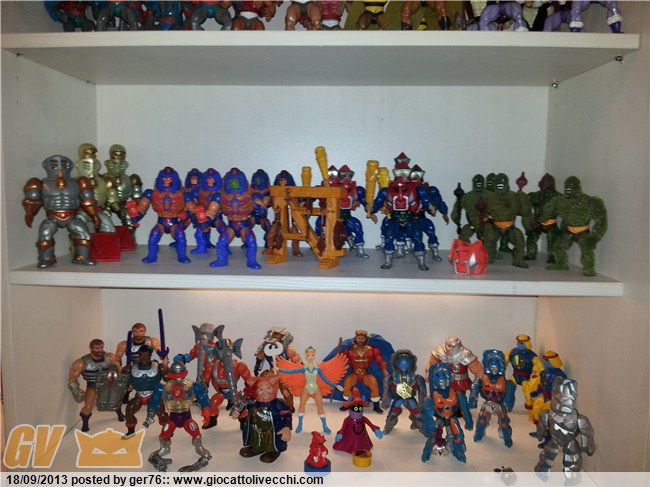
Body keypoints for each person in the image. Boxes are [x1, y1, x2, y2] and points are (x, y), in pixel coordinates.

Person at [68, 339, 121, 432]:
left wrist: (118, 380)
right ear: (91, 348)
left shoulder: (110, 357)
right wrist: (76, 390)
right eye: (97, 348)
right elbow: (72, 378)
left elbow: (118, 368)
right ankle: (85, 423)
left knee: (115, 400)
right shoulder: (81, 363)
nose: (100, 350)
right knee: (88, 407)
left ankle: (120, 414)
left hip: (107, 384)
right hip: (92, 385)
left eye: (101, 347)